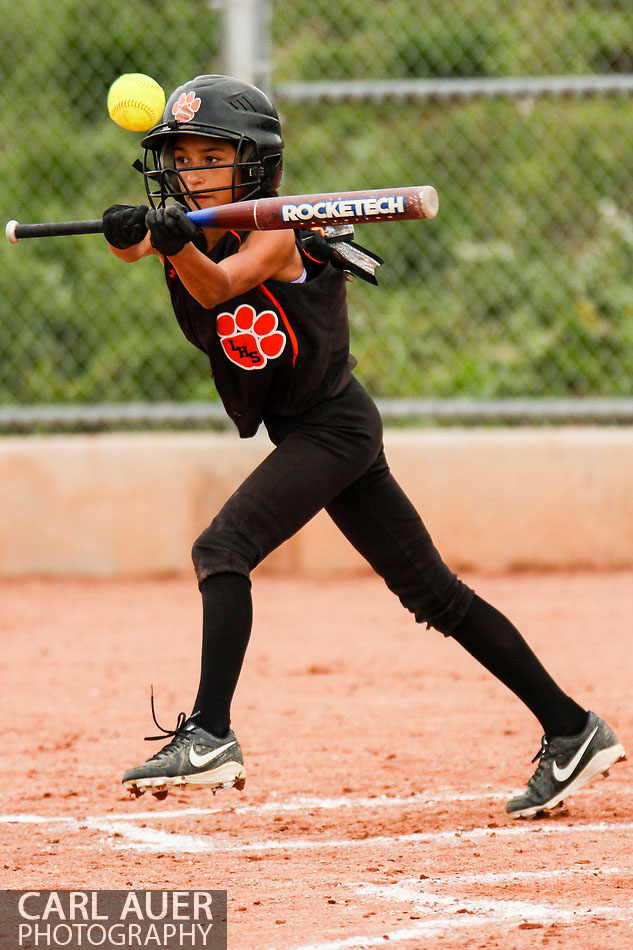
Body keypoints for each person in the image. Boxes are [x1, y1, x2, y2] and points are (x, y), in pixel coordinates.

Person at [103, 74, 625, 818]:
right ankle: (573, 728)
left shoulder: (276, 228)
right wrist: (134, 231)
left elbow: (217, 286)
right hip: (316, 429)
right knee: (433, 595)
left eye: (208, 157)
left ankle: (210, 733)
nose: (189, 171)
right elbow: (145, 250)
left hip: (333, 426)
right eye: (179, 157)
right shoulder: (190, 222)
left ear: (253, 163)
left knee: (224, 549)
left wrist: (175, 245)